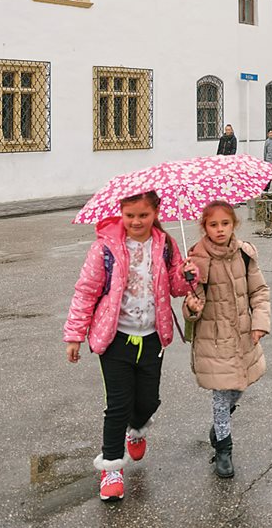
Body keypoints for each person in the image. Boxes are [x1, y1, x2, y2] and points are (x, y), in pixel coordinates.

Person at [63, 191, 198, 501]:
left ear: (155, 213)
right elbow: (86, 292)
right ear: (121, 214)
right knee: (118, 404)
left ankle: (136, 428)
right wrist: (74, 335)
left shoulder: (165, 245)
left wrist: (187, 274)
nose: (136, 221)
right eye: (130, 215)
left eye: (143, 215)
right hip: (115, 339)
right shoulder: (105, 248)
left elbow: (178, 288)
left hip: (152, 337)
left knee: (149, 401)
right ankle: (111, 467)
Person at [182, 200, 270, 479]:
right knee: (221, 395)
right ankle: (224, 448)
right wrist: (192, 307)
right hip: (214, 339)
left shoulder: (244, 254)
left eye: (225, 223)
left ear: (234, 224)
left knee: (239, 387)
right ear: (204, 227)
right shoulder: (196, 261)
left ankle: (220, 427)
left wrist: (259, 323)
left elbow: (259, 291)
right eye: (213, 224)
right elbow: (190, 307)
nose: (219, 230)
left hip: (243, 334)